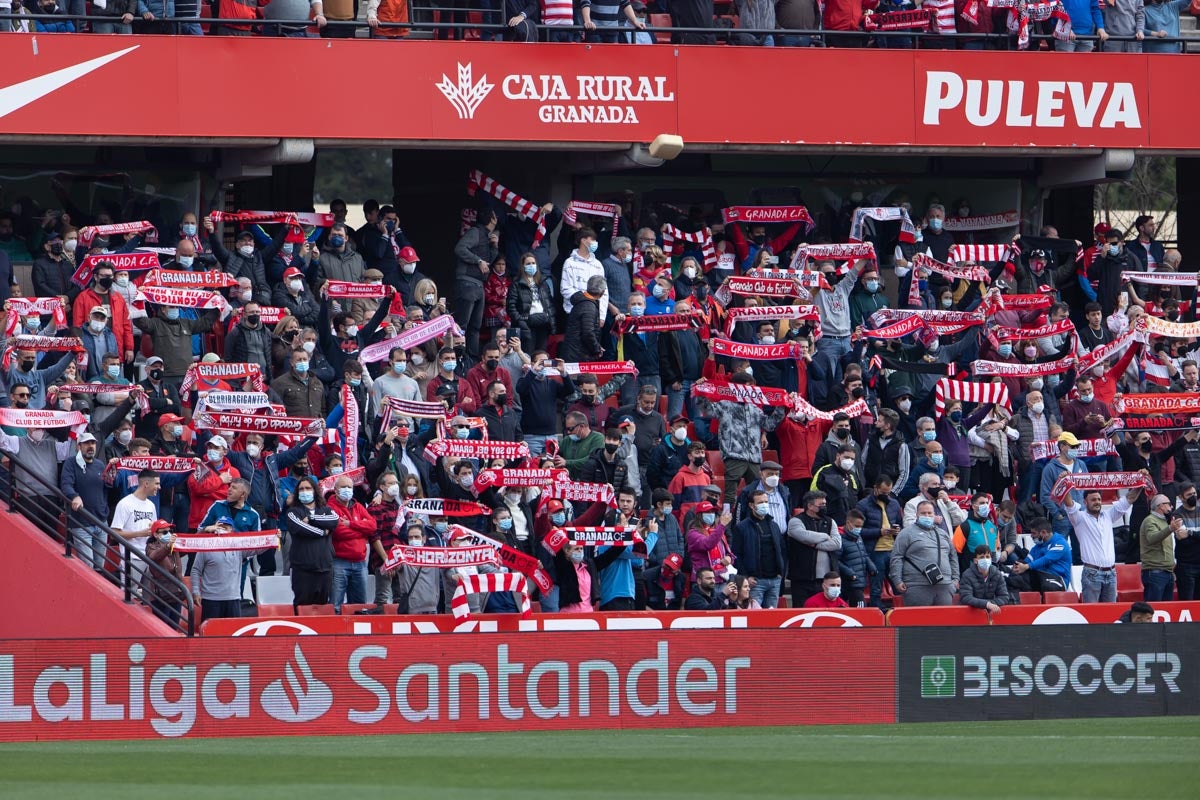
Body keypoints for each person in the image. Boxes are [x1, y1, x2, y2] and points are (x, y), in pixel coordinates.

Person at [695, 373, 786, 506]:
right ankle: (727, 523)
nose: (752, 390)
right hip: (734, 456)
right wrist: (701, 391)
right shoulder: (724, 405)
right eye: (749, 386)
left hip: (754, 459)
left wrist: (781, 406)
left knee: (756, 496)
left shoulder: (754, 408)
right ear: (739, 386)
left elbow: (769, 425)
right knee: (730, 496)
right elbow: (707, 410)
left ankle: (753, 522)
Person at [1064, 482, 1145, 603]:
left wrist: (1140, 483)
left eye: (1099, 499)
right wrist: (1065, 483)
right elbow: (1069, 504)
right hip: (1092, 574)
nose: (1097, 502)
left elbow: (1129, 499)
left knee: (1111, 613)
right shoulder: (1079, 518)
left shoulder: (1108, 515)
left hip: (1111, 573)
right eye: (1093, 500)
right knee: (1092, 614)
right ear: (1085, 502)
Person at [283, 476, 341, 612]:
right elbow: (301, 528)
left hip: (325, 567)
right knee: (302, 606)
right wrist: (323, 532)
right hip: (303, 568)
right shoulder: (293, 512)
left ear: (315, 491)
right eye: (301, 489)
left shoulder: (326, 510)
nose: (305, 491)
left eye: (308, 488)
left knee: (322, 607)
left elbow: (334, 520)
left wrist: (311, 518)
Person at [191, 514, 261, 622]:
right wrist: (196, 592)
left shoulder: (238, 547)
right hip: (211, 599)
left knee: (233, 633)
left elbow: (257, 549)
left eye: (226, 527)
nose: (222, 529)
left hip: (233, 598)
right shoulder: (205, 546)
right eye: (220, 526)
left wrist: (274, 538)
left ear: (232, 530)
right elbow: (196, 570)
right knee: (211, 634)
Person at [889, 498, 960, 606]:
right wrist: (897, 580)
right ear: (917, 514)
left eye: (929, 513)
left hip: (945, 586)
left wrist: (955, 580)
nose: (927, 516)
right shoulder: (906, 533)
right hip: (916, 586)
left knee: (945, 621)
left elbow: (953, 556)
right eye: (923, 513)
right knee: (918, 621)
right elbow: (897, 557)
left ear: (934, 514)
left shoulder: (943, 533)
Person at [60, 432, 110, 572]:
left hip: (101, 521)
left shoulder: (100, 464)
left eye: (93, 443)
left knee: (100, 567)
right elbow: (66, 484)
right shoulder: (71, 463)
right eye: (87, 443)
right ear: (78, 446)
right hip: (81, 522)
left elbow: (107, 487)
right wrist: (74, 496)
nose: (90, 446)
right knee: (88, 567)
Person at [454, 205, 499, 358]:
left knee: (475, 327)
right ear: (492, 219)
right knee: (462, 326)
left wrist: (494, 247)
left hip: (479, 284)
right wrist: (477, 260)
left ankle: (471, 360)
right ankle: (459, 357)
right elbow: (460, 248)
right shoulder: (475, 232)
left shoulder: (487, 236)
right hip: (467, 282)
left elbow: (489, 263)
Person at [729, 489, 786, 608]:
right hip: (755, 582)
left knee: (772, 618)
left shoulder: (774, 525)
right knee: (754, 616)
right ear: (751, 505)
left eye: (766, 502)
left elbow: (782, 550)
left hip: (775, 580)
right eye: (760, 502)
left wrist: (781, 573)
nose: (764, 505)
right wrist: (746, 577)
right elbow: (736, 555)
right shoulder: (741, 527)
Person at [785, 491, 843, 607]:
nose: (824, 507)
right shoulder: (796, 521)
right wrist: (825, 536)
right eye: (821, 504)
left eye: (825, 504)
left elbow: (837, 543)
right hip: (802, 578)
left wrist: (815, 544)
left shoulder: (830, 521)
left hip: (825, 580)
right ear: (810, 506)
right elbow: (804, 536)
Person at [328, 474, 376, 612]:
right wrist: (362, 530)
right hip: (339, 562)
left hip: (360, 563)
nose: (347, 489)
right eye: (343, 487)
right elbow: (338, 532)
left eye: (349, 487)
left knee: (360, 606)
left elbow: (372, 526)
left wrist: (350, 524)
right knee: (335, 605)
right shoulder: (330, 508)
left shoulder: (358, 506)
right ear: (335, 490)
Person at [1009, 517, 1073, 595]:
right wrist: (1018, 566)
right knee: (1017, 574)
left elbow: (1047, 559)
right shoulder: (1037, 547)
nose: (1031, 536)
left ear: (1043, 532)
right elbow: (1027, 561)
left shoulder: (1060, 543)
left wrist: (1026, 566)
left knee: (1046, 586)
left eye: (1034, 533)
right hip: (1040, 576)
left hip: (1058, 579)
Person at [1140, 493, 1179, 602]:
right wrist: (1170, 528)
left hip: (1166, 571)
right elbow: (1152, 538)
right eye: (1169, 504)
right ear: (1161, 506)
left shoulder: (1163, 522)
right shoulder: (1150, 520)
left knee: (1166, 610)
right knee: (1154, 609)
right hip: (1155, 571)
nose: (1171, 507)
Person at [560, 275, 606, 363]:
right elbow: (588, 332)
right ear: (602, 292)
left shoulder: (583, 301)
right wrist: (596, 349)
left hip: (574, 351)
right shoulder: (589, 306)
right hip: (578, 355)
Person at [958, 545, 1011, 613]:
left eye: (987, 557)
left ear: (991, 559)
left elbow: (1004, 596)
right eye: (982, 557)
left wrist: (991, 605)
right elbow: (966, 598)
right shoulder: (967, 575)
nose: (985, 559)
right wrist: (986, 604)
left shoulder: (997, 574)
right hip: (970, 613)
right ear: (975, 561)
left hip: (992, 612)